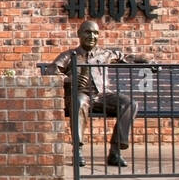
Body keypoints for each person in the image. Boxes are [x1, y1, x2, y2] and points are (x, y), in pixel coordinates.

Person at [50, 21, 156, 167]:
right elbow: (51, 72)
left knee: (129, 103)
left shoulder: (105, 54)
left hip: (102, 96)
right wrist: (70, 79)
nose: (92, 36)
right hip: (81, 95)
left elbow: (127, 58)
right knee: (79, 102)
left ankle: (115, 152)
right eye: (88, 32)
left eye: (95, 33)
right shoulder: (69, 55)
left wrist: (148, 62)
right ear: (79, 34)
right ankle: (78, 151)